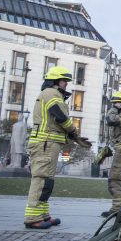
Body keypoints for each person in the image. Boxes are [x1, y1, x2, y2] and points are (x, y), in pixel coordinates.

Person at [24, 66, 91, 229]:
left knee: (47, 180)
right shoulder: (51, 93)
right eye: (63, 80)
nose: (66, 83)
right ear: (54, 81)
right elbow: (60, 117)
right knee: (41, 179)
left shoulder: (52, 94)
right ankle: (33, 218)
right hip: (45, 143)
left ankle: (43, 214)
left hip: (48, 143)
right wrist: (74, 133)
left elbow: (57, 121)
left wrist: (74, 137)